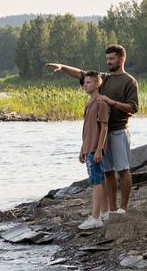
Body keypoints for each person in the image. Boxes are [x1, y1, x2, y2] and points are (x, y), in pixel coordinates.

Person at [46, 44, 138, 214]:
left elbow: (133, 108)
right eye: (107, 59)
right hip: (104, 133)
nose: (108, 62)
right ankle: (111, 208)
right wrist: (62, 67)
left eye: (112, 58)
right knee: (108, 172)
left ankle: (123, 208)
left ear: (121, 59)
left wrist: (113, 103)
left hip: (119, 131)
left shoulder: (129, 81)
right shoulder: (105, 78)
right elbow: (81, 74)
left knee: (123, 170)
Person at [77, 70, 110, 230]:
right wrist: (83, 148)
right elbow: (87, 128)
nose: (85, 84)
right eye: (84, 82)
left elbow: (104, 127)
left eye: (89, 82)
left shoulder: (101, 103)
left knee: (95, 182)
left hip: (95, 149)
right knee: (99, 180)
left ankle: (95, 217)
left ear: (97, 84)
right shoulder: (89, 103)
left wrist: (98, 150)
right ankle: (104, 211)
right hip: (88, 147)